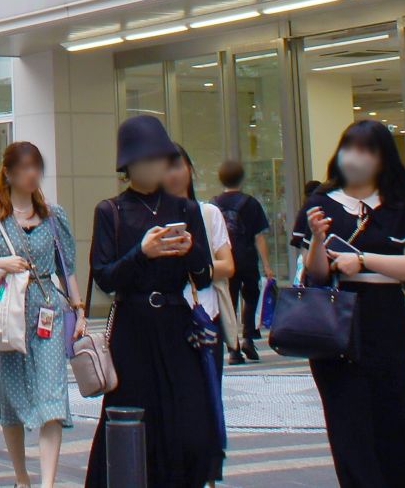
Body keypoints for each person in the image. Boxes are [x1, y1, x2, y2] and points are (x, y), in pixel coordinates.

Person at [295, 118, 405, 488]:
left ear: (382, 158)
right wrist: (316, 238)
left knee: (394, 414)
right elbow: (316, 273)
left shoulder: (402, 206)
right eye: (349, 148)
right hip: (335, 319)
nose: (355, 157)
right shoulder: (320, 203)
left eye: (365, 150)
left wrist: (362, 260)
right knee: (347, 421)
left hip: (384, 314)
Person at [86, 117, 221, 488]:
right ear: (129, 165)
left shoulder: (186, 210)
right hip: (132, 327)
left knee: (191, 424)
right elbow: (104, 276)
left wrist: (191, 250)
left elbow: (204, 276)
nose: (157, 166)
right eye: (147, 159)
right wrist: (142, 253)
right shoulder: (111, 211)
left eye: (161, 158)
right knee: (130, 416)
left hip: (178, 325)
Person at [0, 143, 85, 488]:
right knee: (12, 401)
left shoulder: (53, 216)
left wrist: (79, 310)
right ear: (9, 173)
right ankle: (22, 477)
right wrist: (0, 263)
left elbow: (67, 267)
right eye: (26, 168)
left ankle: (48, 483)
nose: (33, 175)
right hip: (7, 316)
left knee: (53, 398)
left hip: (48, 311)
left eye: (37, 168)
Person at [168, 144, 233, 480]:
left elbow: (228, 265)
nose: (172, 173)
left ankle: (206, 471)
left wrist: (197, 268)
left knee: (206, 397)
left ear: (190, 169)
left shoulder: (208, 214)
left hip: (204, 318)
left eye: (178, 165)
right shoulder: (150, 218)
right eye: (165, 166)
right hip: (166, 318)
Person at [213, 159, 271, 364]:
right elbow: (259, 237)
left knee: (229, 302)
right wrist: (266, 265)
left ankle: (233, 348)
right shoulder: (251, 203)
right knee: (251, 296)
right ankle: (248, 337)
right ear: (242, 178)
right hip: (247, 258)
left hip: (225, 260)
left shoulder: (213, 204)